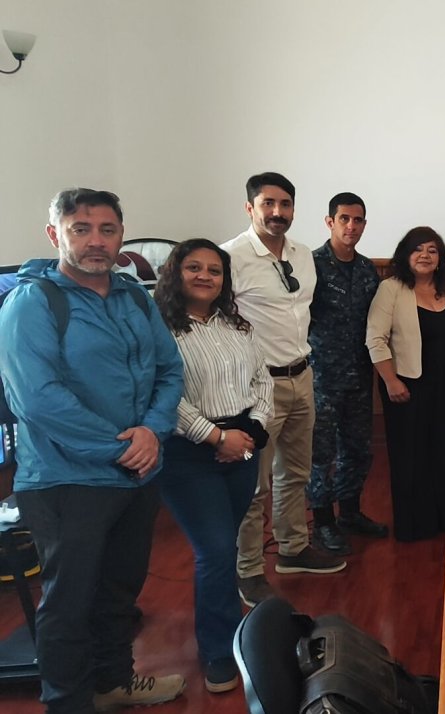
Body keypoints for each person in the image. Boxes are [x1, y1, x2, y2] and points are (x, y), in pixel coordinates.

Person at [0, 189, 186, 711]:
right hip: (67, 480)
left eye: (108, 229)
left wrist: (152, 431)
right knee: (70, 601)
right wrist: (119, 447)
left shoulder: (134, 298)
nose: (96, 241)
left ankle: (112, 682)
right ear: (54, 234)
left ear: (121, 235)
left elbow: (169, 370)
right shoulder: (32, 303)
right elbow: (37, 398)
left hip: (137, 473)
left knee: (119, 591)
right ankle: (68, 702)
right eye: (81, 229)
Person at [153, 239, 273, 694]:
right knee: (216, 550)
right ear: (175, 273)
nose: (205, 276)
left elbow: (262, 381)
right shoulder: (160, 330)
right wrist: (216, 437)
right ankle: (219, 651)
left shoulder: (237, 325)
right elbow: (162, 394)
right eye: (194, 267)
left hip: (242, 446)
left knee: (227, 542)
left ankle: (233, 627)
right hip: (189, 454)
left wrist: (250, 433)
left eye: (214, 270)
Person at [222, 172, 344, 609]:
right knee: (253, 483)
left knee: (296, 471)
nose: (278, 212)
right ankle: (249, 569)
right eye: (268, 203)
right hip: (257, 386)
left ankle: (292, 548)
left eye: (285, 204)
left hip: (303, 375)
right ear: (250, 207)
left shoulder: (302, 254)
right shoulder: (229, 257)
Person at [366, 227, 445, 540]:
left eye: (432, 250)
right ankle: (417, 525)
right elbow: (375, 339)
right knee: (412, 458)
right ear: (405, 255)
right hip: (406, 386)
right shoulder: (391, 289)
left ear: (440, 258)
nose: (425, 255)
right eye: (417, 249)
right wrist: (390, 380)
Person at [307, 192, 387, 556]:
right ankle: (323, 521)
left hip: (359, 375)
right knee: (321, 454)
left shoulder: (368, 269)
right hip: (321, 377)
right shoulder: (311, 266)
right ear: (330, 222)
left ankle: (350, 513)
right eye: (344, 219)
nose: (351, 226)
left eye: (357, 220)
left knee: (357, 449)